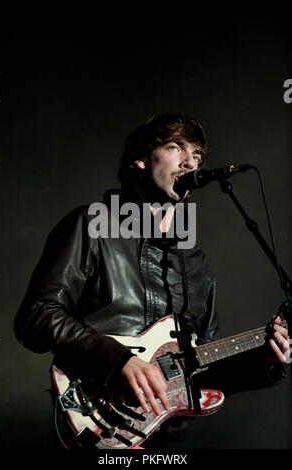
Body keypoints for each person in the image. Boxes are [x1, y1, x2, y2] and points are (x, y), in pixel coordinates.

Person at [14, 113, 290, 449]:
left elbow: (204, 369)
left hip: (168, 437)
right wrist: (117, 361)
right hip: (101, 425)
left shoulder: (195, 264)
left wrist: (265, 362)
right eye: (176, 148)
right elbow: (36, 315)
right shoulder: (92, 226)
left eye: (198, 157)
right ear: (141, 159)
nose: (191, 162)